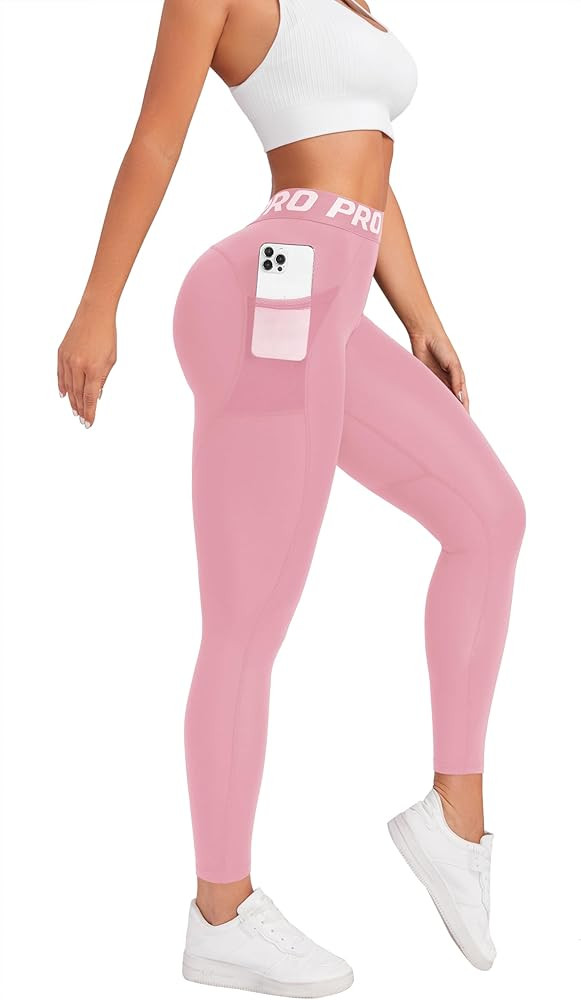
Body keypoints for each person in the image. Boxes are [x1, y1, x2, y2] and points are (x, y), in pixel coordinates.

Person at [57, 0, 526, 994]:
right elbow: (156, 138)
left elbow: (368, 167)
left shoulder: (351, 5)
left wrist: (421, 315)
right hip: (266, 301)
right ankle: (220, 913)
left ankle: (453, 822)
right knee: (248, 621)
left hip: (332, 308)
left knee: (489, 517)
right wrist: (98, 307)